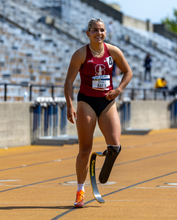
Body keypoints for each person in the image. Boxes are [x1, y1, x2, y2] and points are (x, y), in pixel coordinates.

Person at [64, 18, 132, 208]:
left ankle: (102, 163)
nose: (99, 33)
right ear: (88, 33)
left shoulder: (113, 51)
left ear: (105, 33)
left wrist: (118, 90)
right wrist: (70, 105)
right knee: (85, 149)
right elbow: (68, 82)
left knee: (115, 146)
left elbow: (128, 72)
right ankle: (80, 191)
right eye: (95, 30)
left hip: (107, 101)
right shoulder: (80, 54)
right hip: (86, 101)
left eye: (102, 30)